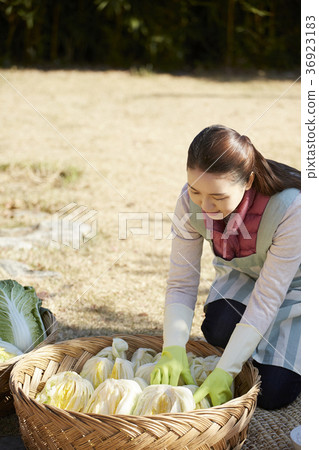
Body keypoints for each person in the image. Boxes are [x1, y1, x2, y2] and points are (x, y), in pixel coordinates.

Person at [150, 124, 301, 410]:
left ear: (248, 182)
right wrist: (172, 347)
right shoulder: (188, 202)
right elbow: (182, 282)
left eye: (218, 197)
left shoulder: (293, 209)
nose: (205, 206)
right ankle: (257, 340)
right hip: (246, 275)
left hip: (298, 287)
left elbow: (268, 298)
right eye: (196, 191)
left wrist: (225, 371)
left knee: (272, 393)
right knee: (218, 328)